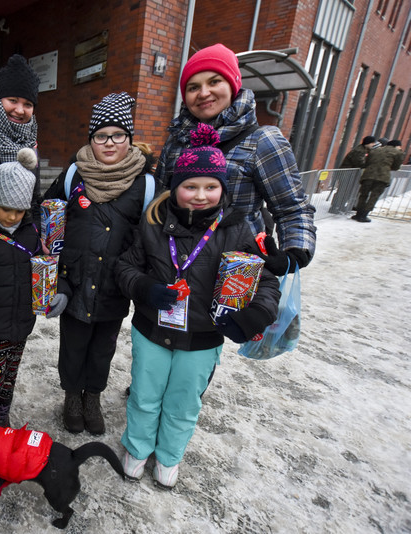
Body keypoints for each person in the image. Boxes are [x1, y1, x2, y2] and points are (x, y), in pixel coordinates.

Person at [115, 123, 280, 489]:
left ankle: (170, 456)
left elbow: (265, 279)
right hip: (153, 331)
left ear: (223, 188)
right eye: (190, 186)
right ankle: (138, 447)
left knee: (183, 403)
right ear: (175, 187)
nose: (200, 195)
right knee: (144, 395)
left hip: (203, 339)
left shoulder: (237, 229)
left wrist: (258, 312)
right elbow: (125, 266)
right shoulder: (153, 223)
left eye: (211, 186)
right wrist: (144, 287)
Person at [43, 92, 155, 435]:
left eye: (118, 135)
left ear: (129, 139)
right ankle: (71, 397)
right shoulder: (73, 175)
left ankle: (92, 397)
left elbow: (153, 239)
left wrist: (139, 280)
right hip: (74, 281)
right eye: (100, 135)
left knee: (103, 348)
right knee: (73, 345)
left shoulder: (146, 183)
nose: (109, 142)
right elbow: (47, 224)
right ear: (90, 139)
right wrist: (56, 282)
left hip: (114, 285)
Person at [154, 44, 316, 277]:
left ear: (232, 85)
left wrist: (294, 254)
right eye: (193, 87)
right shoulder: (177, 140)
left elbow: (292, 209)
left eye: (214, 82)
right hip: (175, 265)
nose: (203, 93)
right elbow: (160, 199)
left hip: (234, 274)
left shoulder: (263, 141)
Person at [0, 147, 42, 427]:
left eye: (20, 210)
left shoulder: (32, 232)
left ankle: (1, 417)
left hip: (21, 324)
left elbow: (42, 268)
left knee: (9, 377)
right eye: (7, 209)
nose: (14, 216)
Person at [0, 54, 42, 225]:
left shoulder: (31, 146)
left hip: (19, 235)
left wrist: (35, 237)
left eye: (28, 104)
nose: (20, 110)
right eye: (13, 100)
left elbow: (34, 199)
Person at [351, 139, 405, 222]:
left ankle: (358, 214)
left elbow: (367, 162)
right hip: (382, 177)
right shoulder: (398, 153)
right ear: (396, 146)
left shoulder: (375, 150)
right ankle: (364, 215)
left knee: (363, 195)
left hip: (368, 175)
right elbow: (396, 167)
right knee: (374, 196)